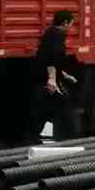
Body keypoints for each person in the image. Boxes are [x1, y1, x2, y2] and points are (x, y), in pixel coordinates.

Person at [29, 10, 78, 141]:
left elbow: (53, 59)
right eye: (71, 23)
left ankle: (32, 137)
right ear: (65, 22)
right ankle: (67, 139)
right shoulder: (57, 35)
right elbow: (51, 58)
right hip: (47, 80)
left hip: (44, 78)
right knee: (64, 110)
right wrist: (52, 79)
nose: (71, 27)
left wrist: (65, 75)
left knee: (43, 109)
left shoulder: (51, 33)